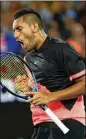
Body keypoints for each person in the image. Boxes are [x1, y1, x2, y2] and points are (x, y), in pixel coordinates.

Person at [12, 8, 86, 139]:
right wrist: (26, 88)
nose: (15, 35)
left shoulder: (61, 48)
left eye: (19, 29)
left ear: (34, 26)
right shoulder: (27, 58)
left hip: (67, 123)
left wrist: (50, 96)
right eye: (14, 31)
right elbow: (39, 92)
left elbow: (84, 84)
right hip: (41, 125)